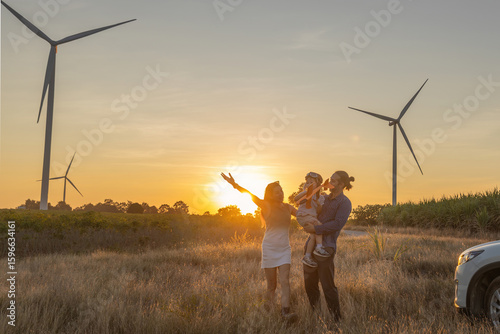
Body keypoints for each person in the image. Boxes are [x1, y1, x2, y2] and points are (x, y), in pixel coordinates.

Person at [221, 172, 298, 322]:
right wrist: (234, 184)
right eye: (277, 192)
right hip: (269, 249)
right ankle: (268, 312)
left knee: (285, 281)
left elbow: (302, 215)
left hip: (284, 250)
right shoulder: (266, 205)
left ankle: (285, 313)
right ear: (271, 194)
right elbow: (249, 194)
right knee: (272, 286)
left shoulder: (288, 207)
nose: (281, 194)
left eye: (282, 191)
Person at [302, 170, 354, 323]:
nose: (330, 182)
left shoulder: (345, 202)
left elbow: (337, 224)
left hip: (327, 247)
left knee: (328, 286)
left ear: (342, 184)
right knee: (309, 284)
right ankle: (316, 316)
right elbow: (309, 207)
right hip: (310, 246)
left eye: (334, 180)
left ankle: (336, 320)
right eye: (330, 179)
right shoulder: (323, 198)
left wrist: (316, 229)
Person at [294, 172, 331, 268]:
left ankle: (307, 256)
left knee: (313, 236)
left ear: (318, 184)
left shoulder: (320, 197)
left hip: (311, 216)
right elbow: (296, 199)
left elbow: (319, 211)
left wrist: (318, 204)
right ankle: (319, 247)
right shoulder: (305, 193)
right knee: (319, 226)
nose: (309, 183)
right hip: (303, 215)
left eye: (312, 182)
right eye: (307, 182)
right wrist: (307, 191)